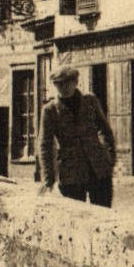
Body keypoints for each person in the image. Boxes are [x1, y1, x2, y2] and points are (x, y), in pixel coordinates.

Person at [38, 65, 117, 207]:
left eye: (67, 83)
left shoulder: (90, 101)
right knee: (76, 217)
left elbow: (105, 130)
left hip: (98, 169)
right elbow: (45, 145)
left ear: (76, 82)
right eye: (59, 84)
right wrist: (48, 178)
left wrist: (109, 158)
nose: (63, 88)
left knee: (104, 214)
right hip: (71, 174)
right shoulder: (50, 111)